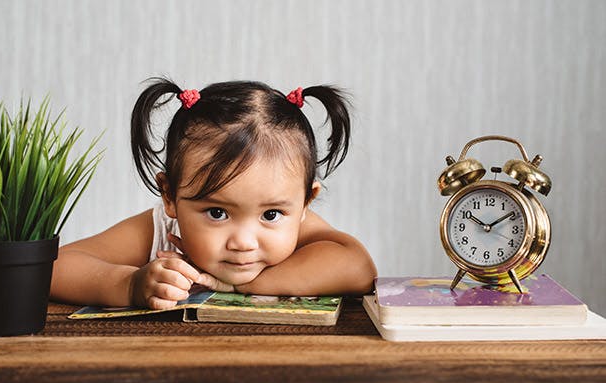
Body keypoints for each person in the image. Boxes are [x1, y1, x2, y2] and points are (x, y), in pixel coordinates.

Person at [50, 78, 377, 309]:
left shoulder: (298, 227)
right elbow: (54, 268)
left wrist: (239, 285)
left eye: (270, 215)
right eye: (217, 213)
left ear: (306, 201)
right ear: (170, 196)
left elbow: (359, 269)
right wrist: (129, 285)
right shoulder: (160, 231)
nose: (244, 242)